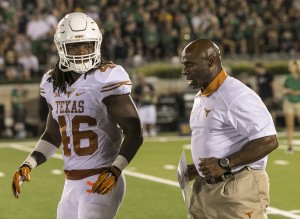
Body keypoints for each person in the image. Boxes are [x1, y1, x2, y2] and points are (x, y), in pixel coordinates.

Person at [11, 12, 143, 219]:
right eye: (74, 46)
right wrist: (29, 163)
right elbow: (53, 135)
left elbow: (134, 129)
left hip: (100, 178)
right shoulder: (52, 82)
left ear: (96, 45)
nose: (82, 51)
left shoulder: (107, 77)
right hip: (71, 183)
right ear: (61, 47)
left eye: (87, 45)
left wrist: (116, 170)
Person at [181, 39, 278, 219]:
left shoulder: (237, 95)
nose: (184, 71)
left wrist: (224, 163)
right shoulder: (202, 95)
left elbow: (268, 140)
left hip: (236, 187)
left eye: (189, 64)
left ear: (210, 61)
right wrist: (201, 168)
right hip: (204, 190)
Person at [282, 59, 300, 154]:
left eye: (292, 66)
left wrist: (291, 91)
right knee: (289, 125)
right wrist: (285, 91)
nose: (290, 68)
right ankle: (289, 146)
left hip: (299, 102)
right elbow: (284, 88)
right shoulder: (288, 78)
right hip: (288, 102)